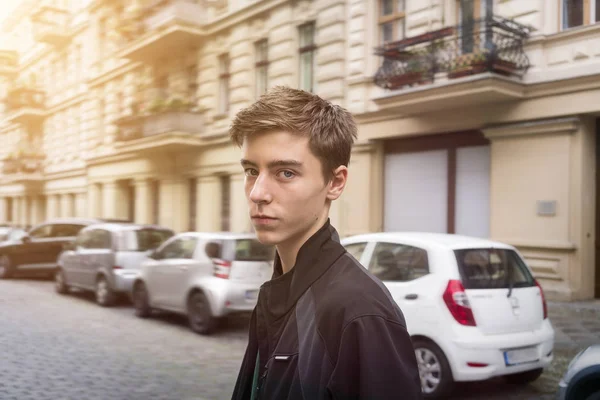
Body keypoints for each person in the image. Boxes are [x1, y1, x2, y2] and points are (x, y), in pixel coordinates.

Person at [230, 86, 422, 400]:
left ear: (335, 182)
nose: (257, 193)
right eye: (252, 171)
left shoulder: (360, 312)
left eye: (286, 172)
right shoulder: (276, 293)